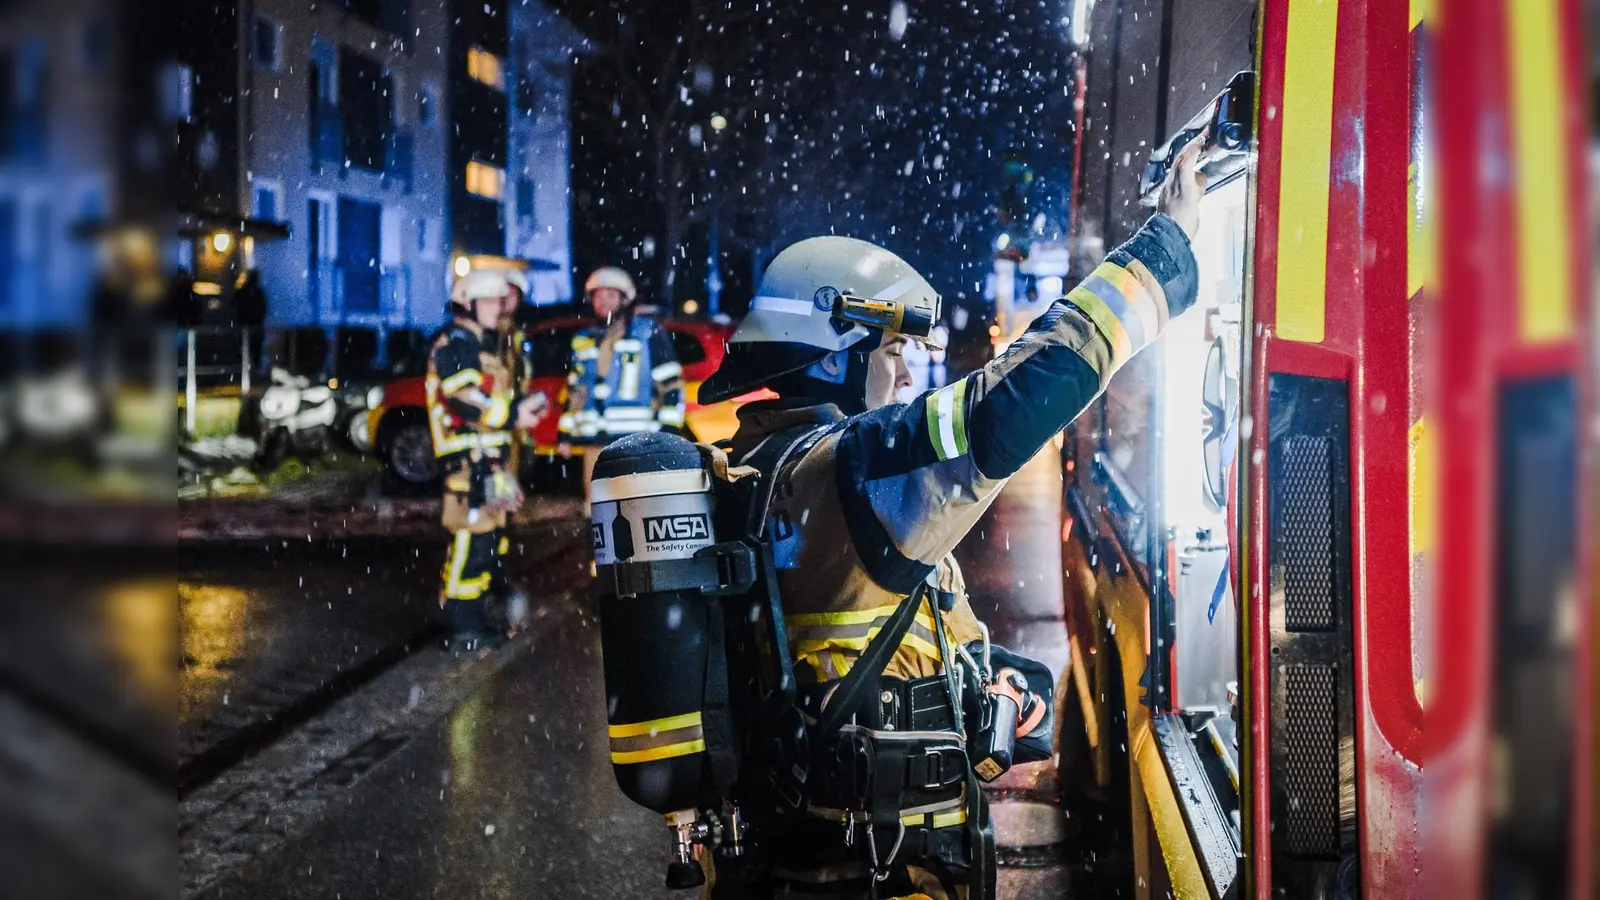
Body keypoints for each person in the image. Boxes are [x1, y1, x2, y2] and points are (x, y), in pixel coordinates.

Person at [691, 136, 1206, 898]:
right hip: (875, 875)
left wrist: (986, 686)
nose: (906, 373)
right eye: (892, 349)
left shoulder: (763, 470)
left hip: (801, 868)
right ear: (834, 354)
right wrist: (1163, 253)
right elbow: (1008, 406)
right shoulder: (852, 468)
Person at [427, 269, 548, 650]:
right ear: (472, 303)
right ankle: (464, 628)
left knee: (487, 540)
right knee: (470, 541)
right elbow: (464, 399)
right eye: (495, 301)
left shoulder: (481, 340)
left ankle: (473, 623)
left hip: (486, 459)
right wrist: (513, 414)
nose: (502, 308)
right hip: (467, 461)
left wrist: (518, 411)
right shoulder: (458, 342)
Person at [557, 266, 685, 509]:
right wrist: (564, 433)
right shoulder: (583, 338)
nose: (602, 302)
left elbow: (671, 385)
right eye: (597, 295)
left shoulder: (648, 333)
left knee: (636, 510)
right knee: (596, 511)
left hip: (635, 443)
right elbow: (576, 391)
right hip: (594, 444)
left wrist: (668, 432)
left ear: (625, 299)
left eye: (610, 295)